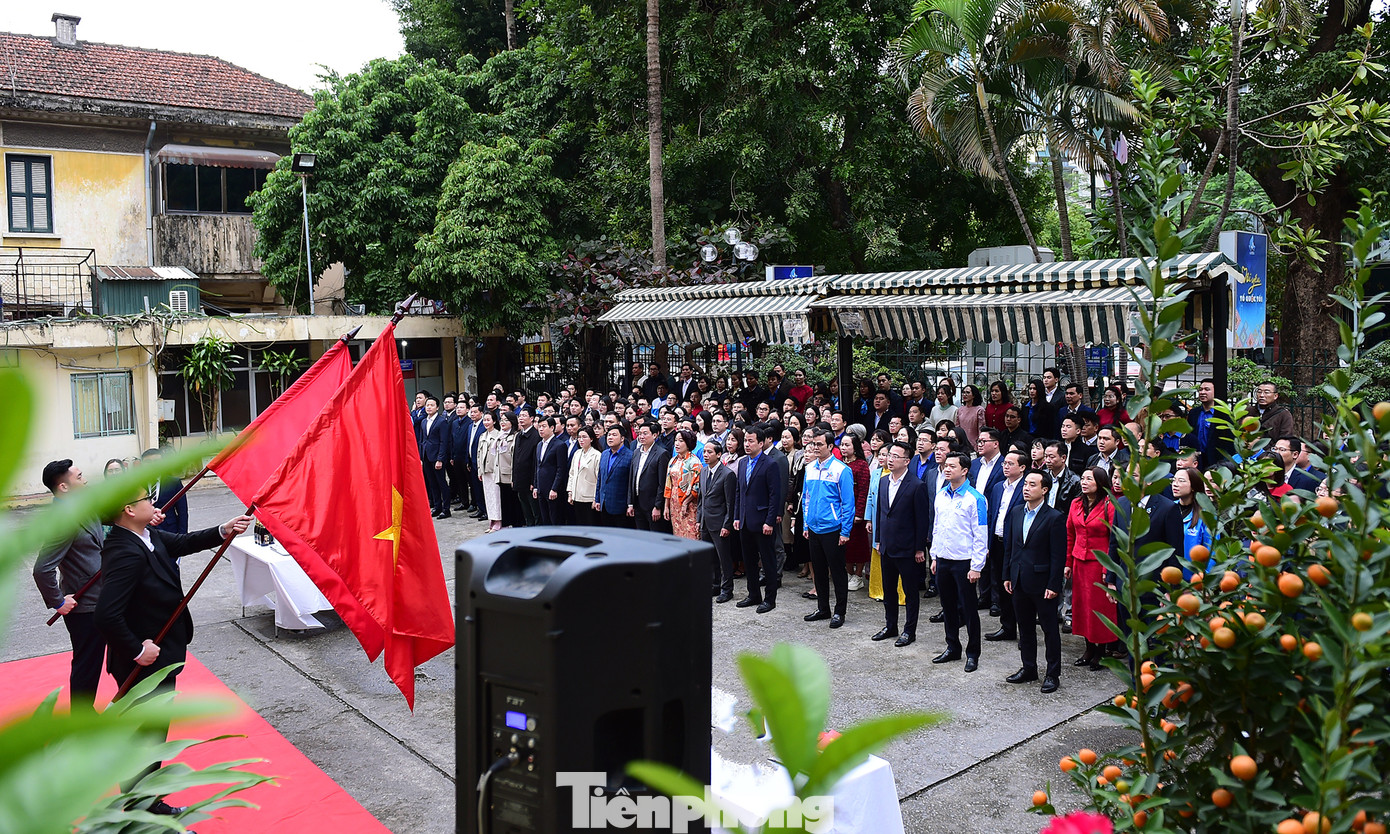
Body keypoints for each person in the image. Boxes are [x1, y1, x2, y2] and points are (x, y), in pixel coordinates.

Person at [95, 490, 252, 813]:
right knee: (144, 739)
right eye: (145, 500)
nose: (153, 505)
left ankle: (143, 802)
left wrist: (223, 530)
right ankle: (142, 809)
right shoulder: (125, 551)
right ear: (128, 509)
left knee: (151, 737)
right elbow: (106, 614)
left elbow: (179, 543)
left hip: (161, 655)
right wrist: (137, 649)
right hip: (143, 666)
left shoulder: (145, 533)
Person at [33, 460, 106, 711]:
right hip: (85, 607)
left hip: (104, 597)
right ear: (63, 487)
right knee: (87, 665)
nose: (84, 480)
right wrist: (58, 601)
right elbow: (42, 568)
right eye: (79, 477)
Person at [1003, 470, 1068, 693]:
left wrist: (1054, 585)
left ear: (1045, 489)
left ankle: (1052, 673)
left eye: (1032, 484)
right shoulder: (1016, 513)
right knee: (1025, 628)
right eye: (1026, 484)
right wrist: (1007, 575)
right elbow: (1010, 547)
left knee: (1050, 630)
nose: (1026, 488)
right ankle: (1028, 667)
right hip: (1019, 579)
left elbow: (1057, 556)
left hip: (1042, 584)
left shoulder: (1054, 517)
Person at [929, 451, 989, 672]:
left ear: (964, 470)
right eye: (946, 466)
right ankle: (952, 646)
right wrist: (934, 556)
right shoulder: (941, 495)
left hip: (964, 562)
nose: (947, 469)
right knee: (948, 607)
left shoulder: (976, 499)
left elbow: (981, 534)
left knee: (969, 609)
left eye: (952, 466)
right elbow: (937, 528)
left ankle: (973, 653)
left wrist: (976, 566)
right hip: (944, 559)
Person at [870, 441, 933, 647]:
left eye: (895, 456)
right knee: (889, 590)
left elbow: (921, 520)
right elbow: (880, 512)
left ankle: (909, 630)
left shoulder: (916, 485)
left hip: (907, 549)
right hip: (887, 545)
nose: (890, 459)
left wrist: (918, 548)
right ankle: (890, 625)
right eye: (889, 455)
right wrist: (878, 539)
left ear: (906, 461)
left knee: (910, 591)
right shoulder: (885, 481)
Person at [800, 427, 856, 628]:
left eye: (819, 444)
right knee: (820, 571)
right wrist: (806, 523)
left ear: (831, 446)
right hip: (814, 527)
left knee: (838, 572)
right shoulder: (809, 468)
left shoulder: (842, 470)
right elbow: (806, 498)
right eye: (813, 444)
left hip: (833, 528)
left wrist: (845, 531)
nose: (815, 447)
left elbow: (848, 504)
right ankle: (823, 608)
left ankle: (839, 611)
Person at [1066, 467, 1119, 669]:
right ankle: (1088, 647)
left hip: (1100, 563)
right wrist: (1067, 563)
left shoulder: (1109, 504)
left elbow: (1114, 539)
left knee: (1101, 608)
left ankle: (1102, 651)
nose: (1084, 482)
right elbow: (1070, 534)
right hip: (1080, 561)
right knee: (1082, 607)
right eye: (1082, 478)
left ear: (1100, 482)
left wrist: (1110, 568)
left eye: (1089, 479)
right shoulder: (1076, 503)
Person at [734, 424, 783, 613]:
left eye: (751, 441)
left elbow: (774, 496)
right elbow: (739, 491)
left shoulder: (770, 464)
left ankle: (770, 599)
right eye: (745, 440)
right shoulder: (742, 462)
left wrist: (770, 521)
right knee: (749, 561)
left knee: (768, 562)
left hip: (763, 522)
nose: (747, 444)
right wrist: (738, 516)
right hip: (745, 520)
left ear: (761, 443)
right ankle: (753, 594)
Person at [984, 450, 1029, 643]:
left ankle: (1025, 634)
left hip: (1018, 545)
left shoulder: (1026, 488)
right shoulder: (997, 488)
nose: (1005, 466)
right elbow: (993, 515)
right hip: (998, 541)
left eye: (1011, 464)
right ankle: (1007, 626)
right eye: (1005, 463)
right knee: (1002, 586)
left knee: (1019, 589)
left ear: (1022, 468)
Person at [699, 440, 738, 601]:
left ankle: (727, 589)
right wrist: (698, 519)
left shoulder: (727, 474)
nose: (706, 455)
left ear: (719, 454)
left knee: (724, 558)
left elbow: (730, 503)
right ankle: (714, 586)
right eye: (705, 452)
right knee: (710, 557)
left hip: (719, 522)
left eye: (710, 452)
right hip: (705, 522)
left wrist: (726, 525)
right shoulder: (703, 471)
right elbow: (701, 499)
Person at [838, 432, 872, 590]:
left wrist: (859, 513)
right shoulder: (839, 463)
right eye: (842, 445)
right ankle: (848, 572)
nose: (843, 448)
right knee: (844, 545)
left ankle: (857, 575)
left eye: (847, 445)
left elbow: (864, 491)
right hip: (840, 510)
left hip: (856, 512)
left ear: (855, 447)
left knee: (858, 544)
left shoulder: (861, 465)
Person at [629, 421, 673, 533]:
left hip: (652, 504)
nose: (641, 436)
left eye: (645, 433)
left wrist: (658, 506)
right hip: (638, 502)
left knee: (655, 536)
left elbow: (662, 483)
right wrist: (630, 503)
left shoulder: (661, 453)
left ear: (655, 435)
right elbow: (631, 479)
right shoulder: (636, 452)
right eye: (639, 433)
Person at [1171, 467, 1213, 578]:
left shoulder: (1206, 514)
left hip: (1195, 581)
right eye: (1174, 480)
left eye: (1181, 481)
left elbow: (1212, 551)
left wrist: (1206, 582)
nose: (1175, 484)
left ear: (1194, 486)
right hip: (1171, 579)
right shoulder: (1168, 509)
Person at [665, 430, 703, 539]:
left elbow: (697, 486)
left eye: (681, 441)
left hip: (689, 504)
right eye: (676, 440)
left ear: (688, 443)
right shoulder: (673, 461)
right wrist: (666, 506)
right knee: (677, 533)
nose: (677, 443)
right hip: (674, 502)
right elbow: (668, 485)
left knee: (691, 534)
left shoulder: (694, 462)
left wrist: (686, 502)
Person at [140, 448, 188, 535]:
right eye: (148, 462)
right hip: (144, 531)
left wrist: (182, 536)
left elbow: (182, 512)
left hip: (170, 530)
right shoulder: (137, 485)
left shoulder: (174, 482)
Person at [417, 396, 451, 518]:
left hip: (437, 457)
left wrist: (440, 459)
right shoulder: (424, 421)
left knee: (441, 483)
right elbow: (422, 440)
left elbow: (444, 441)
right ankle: (437, 507)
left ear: (437, 407)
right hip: (426, 457)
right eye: (427, 405)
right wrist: (421, 457)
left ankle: (446, 509)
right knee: (432, 484)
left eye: (432, 405)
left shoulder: (442, 421)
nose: (429, 407)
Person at [595, 425, 634, 528]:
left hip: (621, 506)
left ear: (622, 438)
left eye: (614, 435)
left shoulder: (630, 456)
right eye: (609, 435)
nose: (610, 437)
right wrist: (598, 499)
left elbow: (631, 483)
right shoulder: (604, 454)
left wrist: (630, 504)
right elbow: (600, 478)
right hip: (604, 504)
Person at [533, 416, 566, 525]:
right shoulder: (539, 445)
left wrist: (555, 488)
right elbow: (537, 466)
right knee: (545, 518)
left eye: (544, 426)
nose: (540, 429)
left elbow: (561, 469)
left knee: (555, 518)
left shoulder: (559, 445)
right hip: (541, 488)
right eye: (539, 426)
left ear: (552, 428)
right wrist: (536, 486)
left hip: (553, 489)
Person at [567, 426, 602, 526]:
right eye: (579, 437)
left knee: (590, 523)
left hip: (589, 497)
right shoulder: (577, 453)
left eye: (584, 437)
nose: (581, 440)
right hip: (576, 495)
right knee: (579, 523)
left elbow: (598, 478)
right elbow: (572, 474)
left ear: (591, 439)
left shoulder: (596, 455)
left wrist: (596, 498)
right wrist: (570, 492)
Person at [512, 408, 541, 526]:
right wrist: (514, 478)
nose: (521, 418)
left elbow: (535, 462)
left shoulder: (536, 436)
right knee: (526, 511)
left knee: (535, 511)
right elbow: (515, 458)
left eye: (524, 415)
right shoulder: (519, 435)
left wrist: (533, 482)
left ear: (532, 418)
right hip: (520, 480)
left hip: (530, 481)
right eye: (520, 416)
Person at [477, 412, 505, 531]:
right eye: (484, 420)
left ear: (494, 421)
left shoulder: (499, 435)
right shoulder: (482, 435)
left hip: (495, 470)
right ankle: (491, 520)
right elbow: (478, 454)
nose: (486, 422)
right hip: (485, 471)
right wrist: (479, 470)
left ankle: (498, 521)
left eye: (489, 420)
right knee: (488, 496)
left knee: (496, 497)